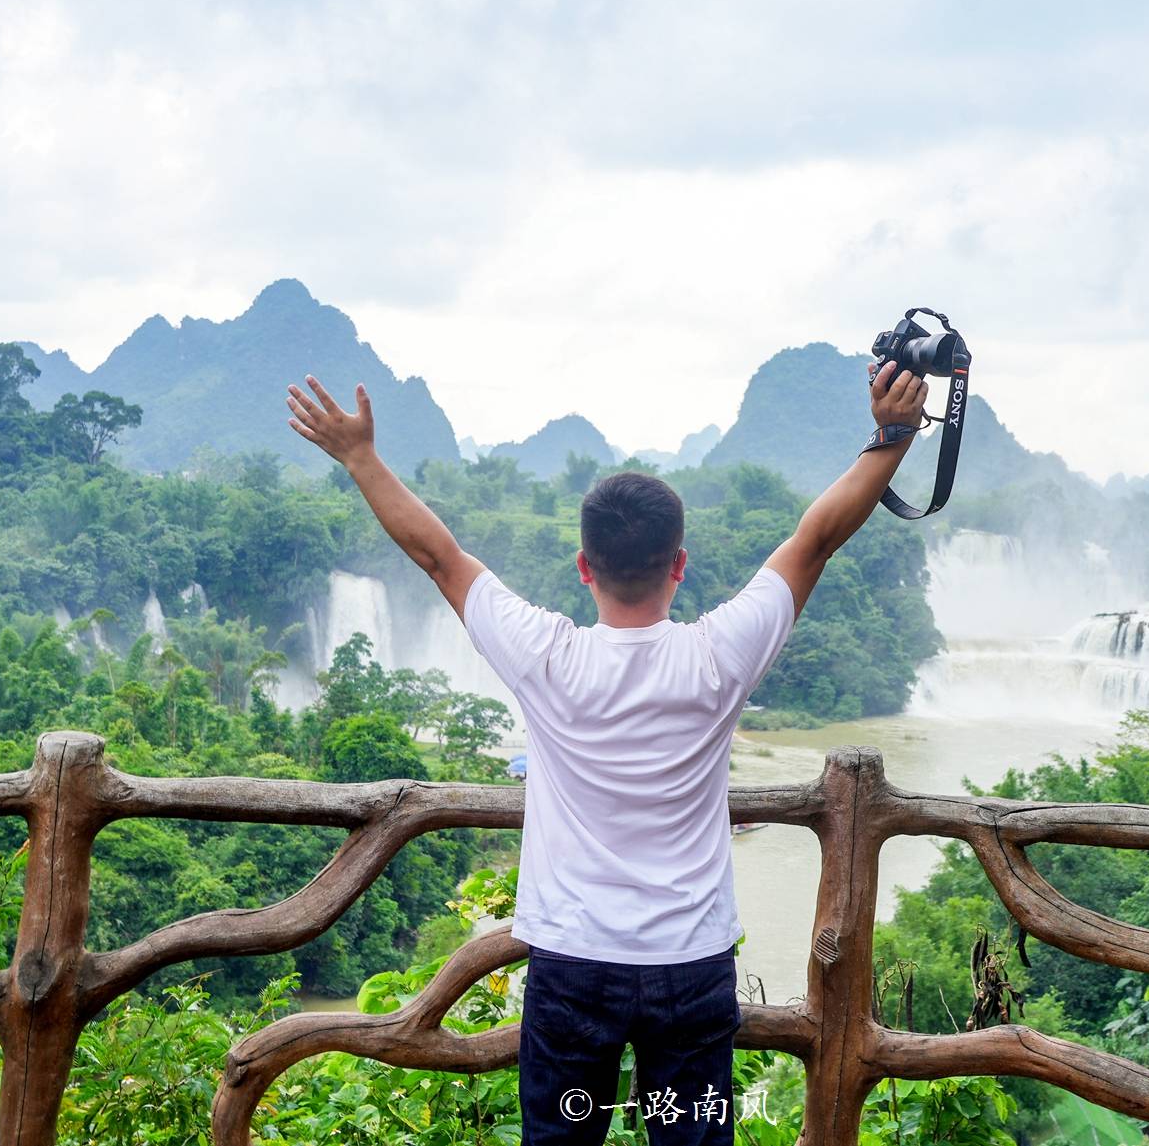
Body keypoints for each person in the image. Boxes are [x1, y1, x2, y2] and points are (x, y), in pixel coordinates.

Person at [285, 359, 929, 1144]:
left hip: (573, 963)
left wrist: (360, 457)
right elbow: (815, 538)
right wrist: (891, 438)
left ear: (584, 567)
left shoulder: (546, 655)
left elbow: (439, 557)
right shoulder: (718, 656)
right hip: (690, 964)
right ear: (679, 565)